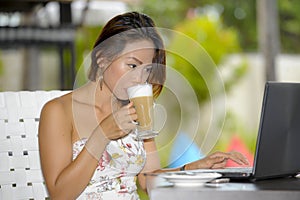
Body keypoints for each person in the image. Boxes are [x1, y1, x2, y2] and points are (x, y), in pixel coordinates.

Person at [38, 11, 249, 200]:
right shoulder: (58, 111)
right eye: (132, 65)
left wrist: (193, 168)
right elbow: (60, 194)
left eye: (147, 70)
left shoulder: (137, 110)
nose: (140, 78)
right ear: (102, 59)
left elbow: (148, 181)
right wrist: (102, 134)